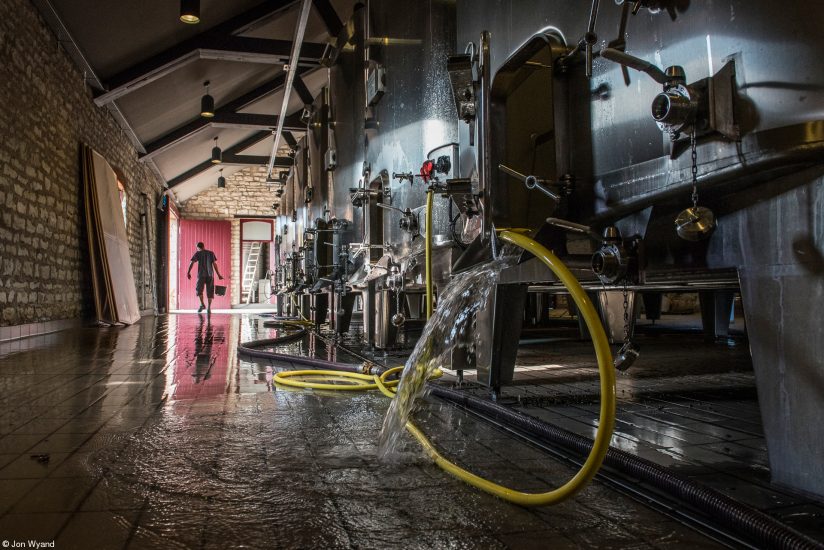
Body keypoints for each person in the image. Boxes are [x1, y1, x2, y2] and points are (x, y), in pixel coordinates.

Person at [187, 242, 224, 312]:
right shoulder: (211, 253)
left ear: (198, 247)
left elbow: (192, 263)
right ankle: (209, 308)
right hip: (210, 275)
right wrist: (218, 275)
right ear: (204, 246)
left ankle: (202, 304)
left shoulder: (198, 253)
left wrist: (188, 272)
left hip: (201, 275)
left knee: (199, 290)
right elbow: (214, 264)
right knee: (210, 291)